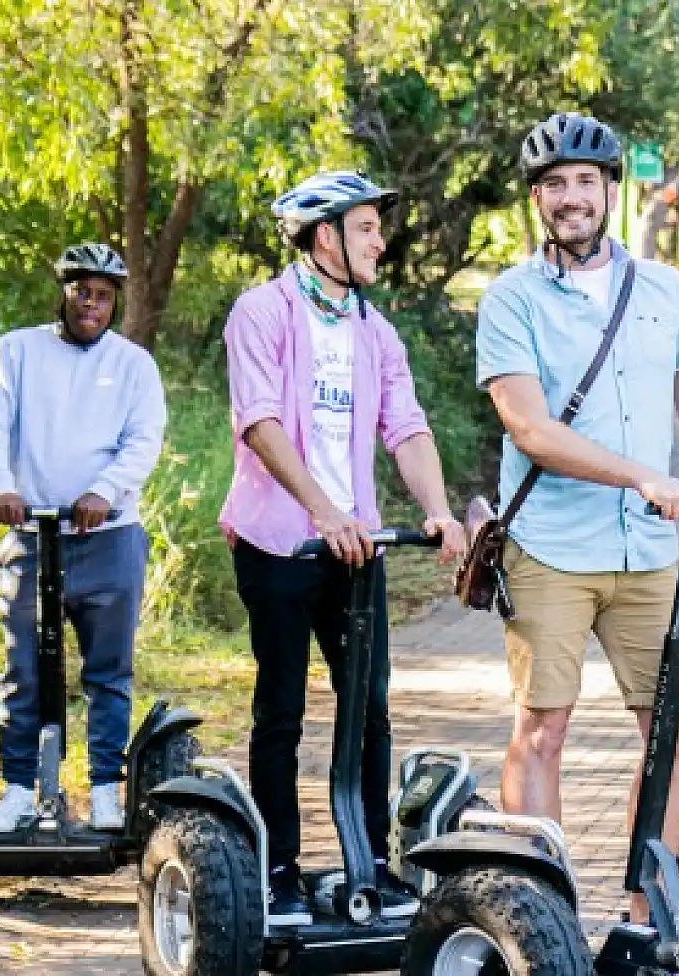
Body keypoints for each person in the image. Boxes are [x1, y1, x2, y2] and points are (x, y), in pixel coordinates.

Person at [476, 111, 679, 922]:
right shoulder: (510, 299)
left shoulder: (663, 290)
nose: (571, 197)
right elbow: (532, 431)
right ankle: (539, 916)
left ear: (612, 191)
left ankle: (641, 908)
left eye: (586, 181)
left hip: (649, 552)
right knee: (544, 730)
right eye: (555, 185)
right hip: (551, 547)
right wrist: (644, 478)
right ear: (538, 200)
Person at [219, 171, 468, 926]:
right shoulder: (262, 313)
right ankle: (278, 873)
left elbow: (408, 426)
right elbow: (260, 422)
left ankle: (371, 864)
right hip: (277, 544)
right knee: (282, 712)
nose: (379, 240)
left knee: (370, 709)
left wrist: (438, 510)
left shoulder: (375, 330)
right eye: (366, 228)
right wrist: (321, 510)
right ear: (325, 234)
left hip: (356, 549)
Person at [0, 243, 166, 833]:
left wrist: (105, 491)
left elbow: (143, 440)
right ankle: (19, 789)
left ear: (115, 303)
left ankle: (106, 787)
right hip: (31, 536)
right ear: (64, 292)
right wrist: (0, 487)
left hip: (109, 537)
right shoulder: (16, 352)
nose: (92, 305)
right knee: (23, 670)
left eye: (104, 296)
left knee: (108, 672)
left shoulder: (133, 366)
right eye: (83, 292)